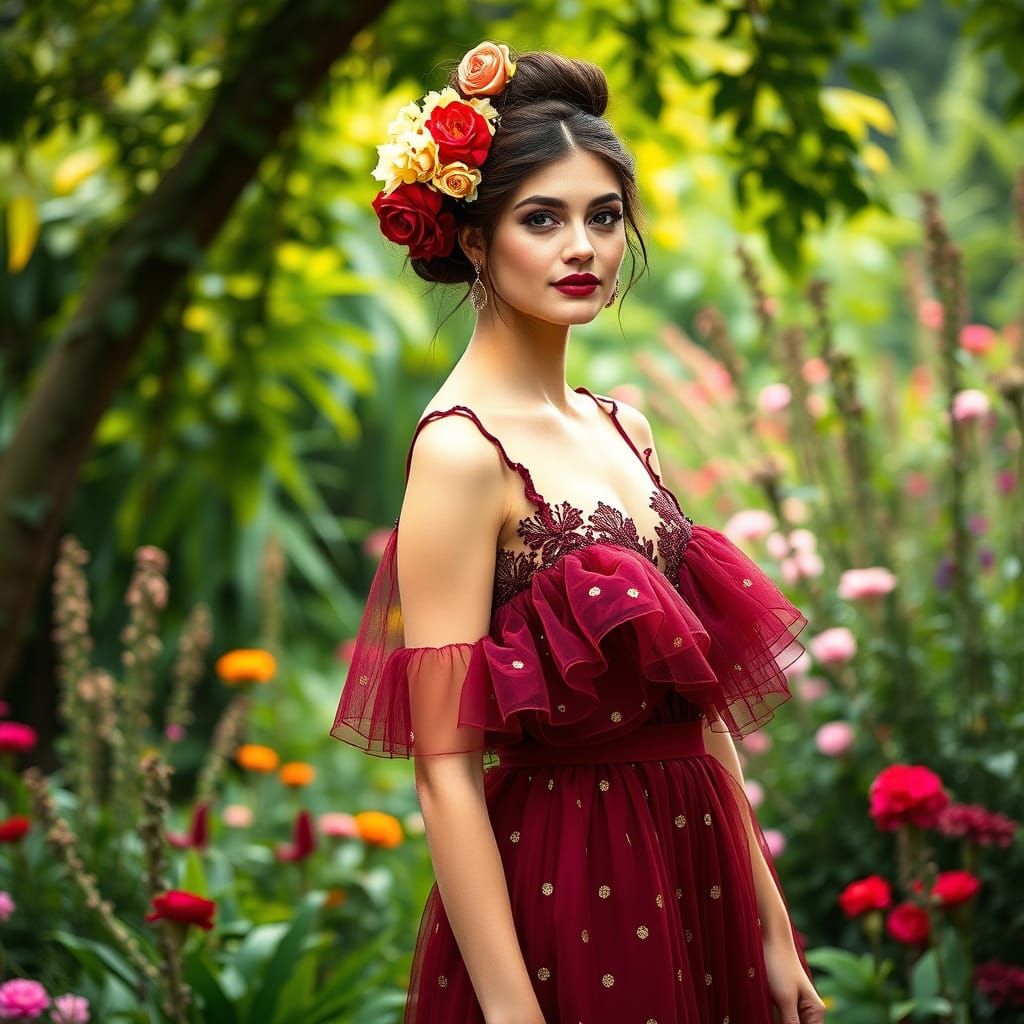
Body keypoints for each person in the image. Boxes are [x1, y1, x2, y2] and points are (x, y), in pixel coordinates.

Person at [331, 40, 828, 1024]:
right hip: (572, 879)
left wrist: (774, 930)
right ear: (473, 240)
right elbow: (443, 769)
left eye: (602, 217)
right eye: (540, 218)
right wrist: (514, 1012)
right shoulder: (460, 453)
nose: (582, 248)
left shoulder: (622, 425)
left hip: (701, 861)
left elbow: (703, 713)